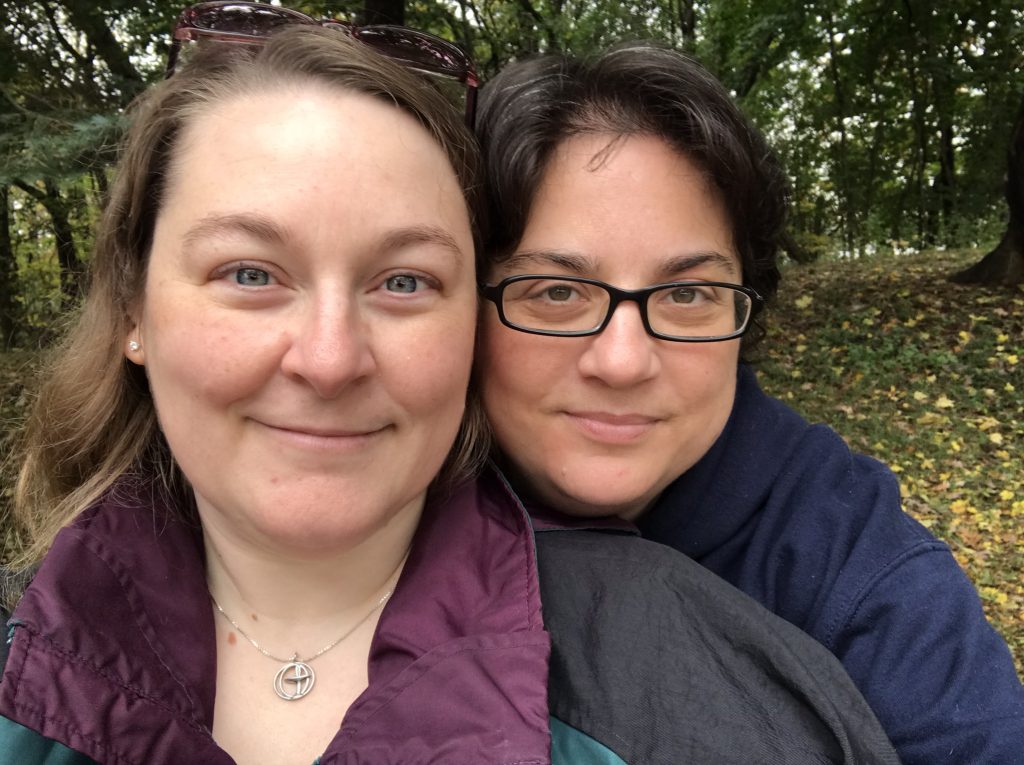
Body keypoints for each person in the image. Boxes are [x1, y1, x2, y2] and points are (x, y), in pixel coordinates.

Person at [0, 7, 902, 763]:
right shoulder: (25, 656)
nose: (329, 357)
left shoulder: (707, 696)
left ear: (473, 321)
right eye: (249, 272)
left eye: (404, 282)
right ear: (132, 308)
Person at [475, 43, 1024, 765]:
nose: (622, 360)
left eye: (687, 294)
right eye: (555, 291)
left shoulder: (863, 578)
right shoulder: (385, 507)